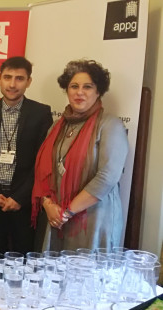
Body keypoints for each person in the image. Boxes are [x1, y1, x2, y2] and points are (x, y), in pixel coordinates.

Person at [32, 59, 128, 250]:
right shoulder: (57, 126)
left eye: (88, 87)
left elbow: (107, 177)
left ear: (98, 91)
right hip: (57, 219)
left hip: (92, 219)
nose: (79, 92)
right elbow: (43, 170)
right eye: (74, 86)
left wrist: (67, 212)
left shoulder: (110, 125)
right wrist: (48, 205)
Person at [0, 56, 52, 255]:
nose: (12, 84)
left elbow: (42, 161)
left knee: (23, 255)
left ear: (28, 82)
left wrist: (20, 197)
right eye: (7, 77)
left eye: (19, 78)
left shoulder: (41, 113)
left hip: (23, 201)